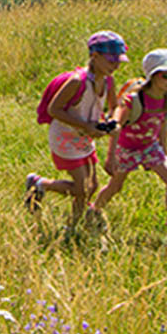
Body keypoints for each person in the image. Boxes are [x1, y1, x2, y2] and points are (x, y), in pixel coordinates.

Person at [24, 30, 127, 228]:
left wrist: (114, 123)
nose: (116, 65)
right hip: (65, 137)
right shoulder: (77, 82)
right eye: (111, 60)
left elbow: (114, 107)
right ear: (94, 56)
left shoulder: (108, 80)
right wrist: (87, 126)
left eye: (119, 61)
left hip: (85, 137)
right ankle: (40, 183)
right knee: (81, 188)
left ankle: (74, 226)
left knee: (92, 186)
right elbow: (54, 109)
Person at [90, 48, 167, 242]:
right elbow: (116, 129)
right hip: (127, 149)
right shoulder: (134, 101)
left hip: (149, 147)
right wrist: (111, 158)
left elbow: (162, 125)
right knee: (116, 186)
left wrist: (163, 151)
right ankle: (93, 211)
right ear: (152, 76)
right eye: (166, 75)